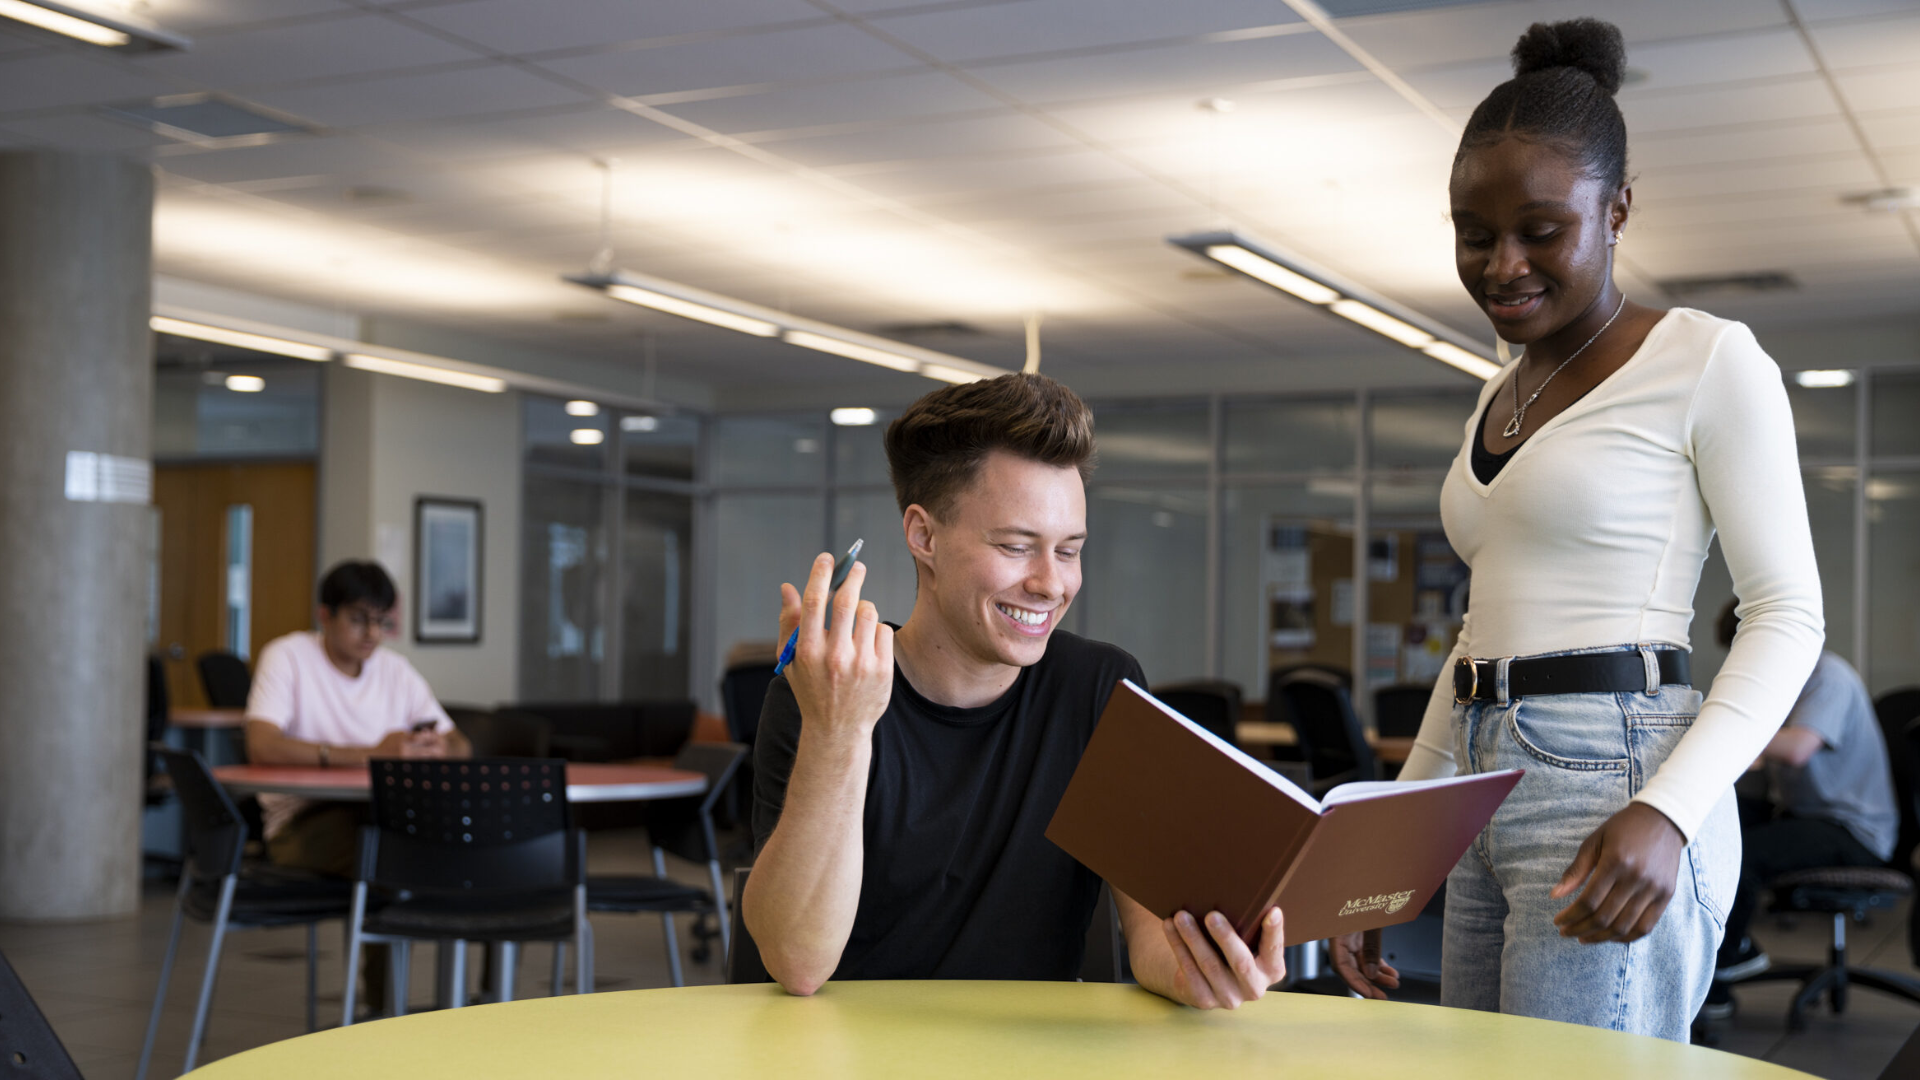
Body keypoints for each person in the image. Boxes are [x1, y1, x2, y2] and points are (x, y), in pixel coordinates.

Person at [1330, 19, 1824, 1042]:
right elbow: (1479, 641)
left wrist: (1673, 809)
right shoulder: (1493, 398)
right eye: (1475, 232)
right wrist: (1387, 853)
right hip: (1477, 772)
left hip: (1617, 775)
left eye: (1541, 229)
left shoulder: (1706, 359)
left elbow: (1787, 615)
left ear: (1617, 211)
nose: (1502, 263)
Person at [744, 373, 1290, 1009]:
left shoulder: (1099, 689)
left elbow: (1151, 933)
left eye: (1069, 551)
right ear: (923, 536)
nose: (1050, 584)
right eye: (1015, 546)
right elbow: (797, 962)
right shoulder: (823, 695)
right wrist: (841, 730)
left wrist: (1199, 967)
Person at [244, 560, 469, 1014]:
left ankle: (468, 1000)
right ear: (324, 615)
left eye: (381, 620)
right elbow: (261, 745)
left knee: (462, 851)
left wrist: (433, 747)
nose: (371, 633)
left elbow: (460, 742)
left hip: (382, 817)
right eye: (358, 618)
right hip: (300, 823)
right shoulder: (287, 657)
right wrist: (370, 753)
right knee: (397, 859)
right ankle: (386, 1013)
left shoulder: (395, 670)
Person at [1704, 600, 1897, 1018]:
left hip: (1854, 830)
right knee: (1716, 832)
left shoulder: (1828, 676)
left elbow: (1796, 749)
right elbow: (1753, 774)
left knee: (1745, 854)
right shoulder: (1780, 688)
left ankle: (1730, 956)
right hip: (1807, 816)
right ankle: (1709, 962)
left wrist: (1730, 727)